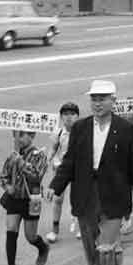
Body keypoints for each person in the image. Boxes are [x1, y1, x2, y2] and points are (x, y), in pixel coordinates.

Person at [47, 80, 133, 265]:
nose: (97, 103)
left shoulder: (126, 129)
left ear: (113, 100)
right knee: (92, 250)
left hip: (114, 196)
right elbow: (69, 161)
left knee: (106, 249)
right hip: (85, 195)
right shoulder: (80, 128)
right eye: (94, 98)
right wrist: (56, 185)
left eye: (102, 98)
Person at [0, 130, 50, 265]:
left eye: (23, 135)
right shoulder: (12, 156)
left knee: (30, 236)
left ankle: (43, 247)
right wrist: (7, 187)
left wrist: (20, 161)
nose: (19, 139)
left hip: (31, 200)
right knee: (11, 229)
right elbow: (3, 177)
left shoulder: (39, 155)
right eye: (16, 135)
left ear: (32, 136)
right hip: (14, 199)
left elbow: (36, 175)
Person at [46, 102, 80, 243]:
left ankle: (79, 227)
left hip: (78, 169)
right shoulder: (58, 132)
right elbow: (53, 149)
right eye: (65, 114)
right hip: (62, 169)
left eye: (72, 114)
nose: (69, 117)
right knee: (57, 199)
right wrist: (49, 160)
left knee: (78, 198)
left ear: (78, 116)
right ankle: (55, 230)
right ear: (61, 117)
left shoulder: (82, 132)